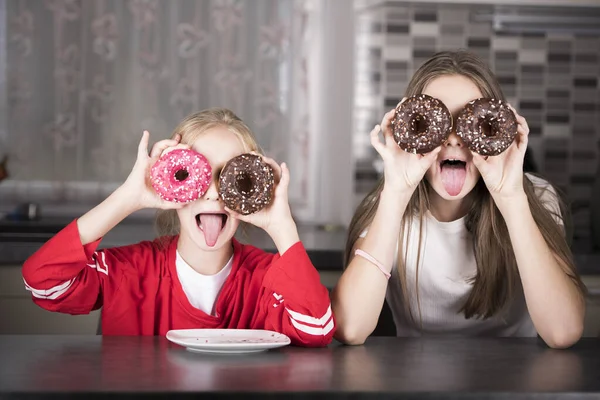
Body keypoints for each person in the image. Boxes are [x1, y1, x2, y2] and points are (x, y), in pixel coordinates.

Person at [331, 50, 586, 349]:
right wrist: (397, 193)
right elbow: (350, 328)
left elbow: (563, 331)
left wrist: (511, 197)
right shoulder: (387, 206)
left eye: (471, 121)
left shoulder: (538, 197)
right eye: (435, 122)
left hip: (519, 386)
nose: (453, 138)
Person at [22, 108, 335, 346]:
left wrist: (281, 226)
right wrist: (128, 198)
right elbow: (43, 284)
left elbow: (317, 329)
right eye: (194, 173)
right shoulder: (130, 271)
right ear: (171, 183)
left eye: (231, 177)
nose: (213, 191)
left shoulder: (267, 279)